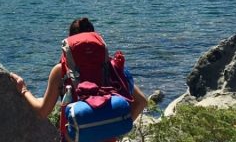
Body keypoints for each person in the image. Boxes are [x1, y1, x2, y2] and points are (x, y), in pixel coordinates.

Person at [9, 18, 148, 138]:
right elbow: (141, 101)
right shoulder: (112, 66)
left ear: (70, 42)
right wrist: (116, 129)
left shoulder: (60, 70)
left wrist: (23, 89)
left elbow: (42, 111)